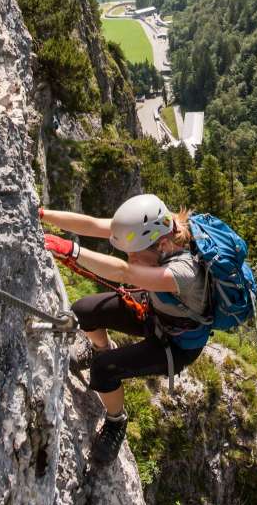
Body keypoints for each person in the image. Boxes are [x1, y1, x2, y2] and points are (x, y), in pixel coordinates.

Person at [41, 193, 211, 464]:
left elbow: (126, 274)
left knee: (104, 369)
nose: (130, 257)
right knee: (84, 312)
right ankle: (100, 348)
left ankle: (116, 421)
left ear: (163, 245)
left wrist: (71, 250)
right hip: (155, 310)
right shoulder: (156, 230)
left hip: (174, 344)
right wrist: (42, 215)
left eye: (135, 254)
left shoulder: (184, 273)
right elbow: (95, 225)